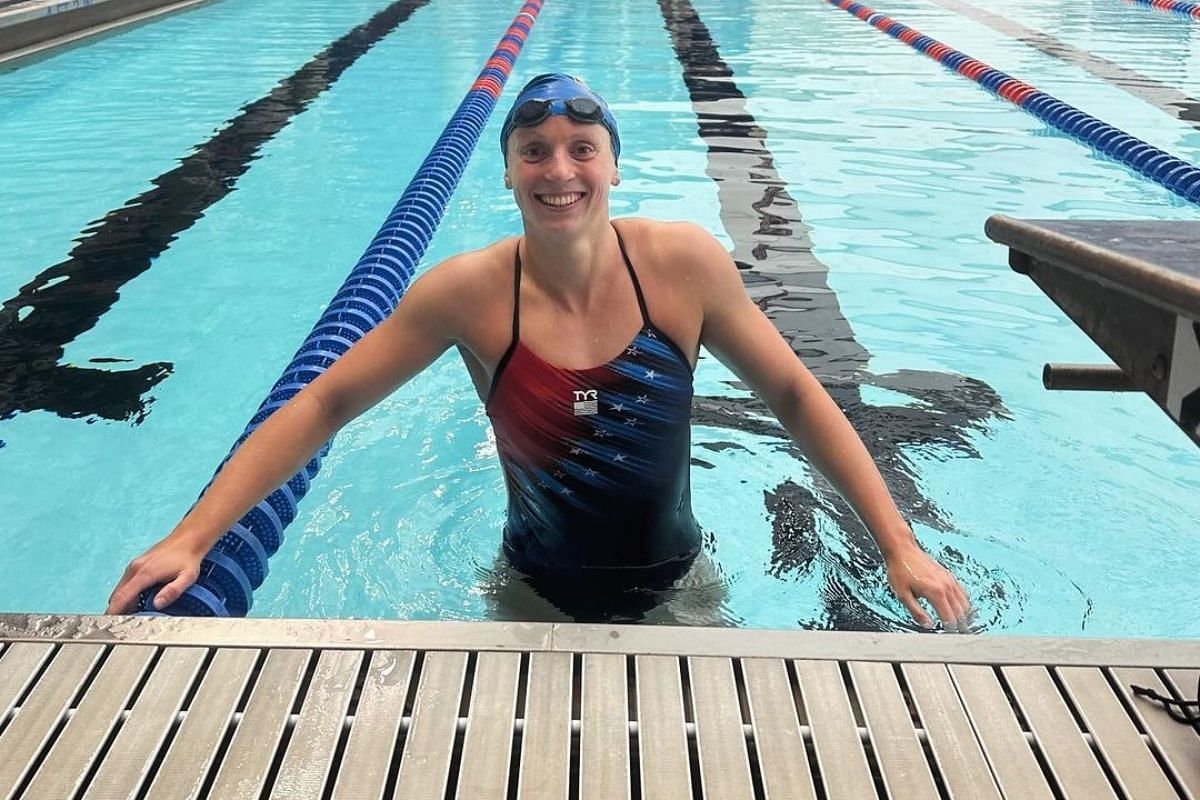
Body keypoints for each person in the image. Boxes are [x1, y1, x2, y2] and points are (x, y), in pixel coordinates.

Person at [107, 74, 972, 629]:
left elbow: (793, 393)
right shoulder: (466, 293)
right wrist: (195, 537)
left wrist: (897, 544)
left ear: (614, 168)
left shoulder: (682, 266)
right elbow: (326, 402)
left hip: (682, 586)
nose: (560, 169)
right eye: (534, 152)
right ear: (510, 171)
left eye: (581, 149)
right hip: (530, 593)